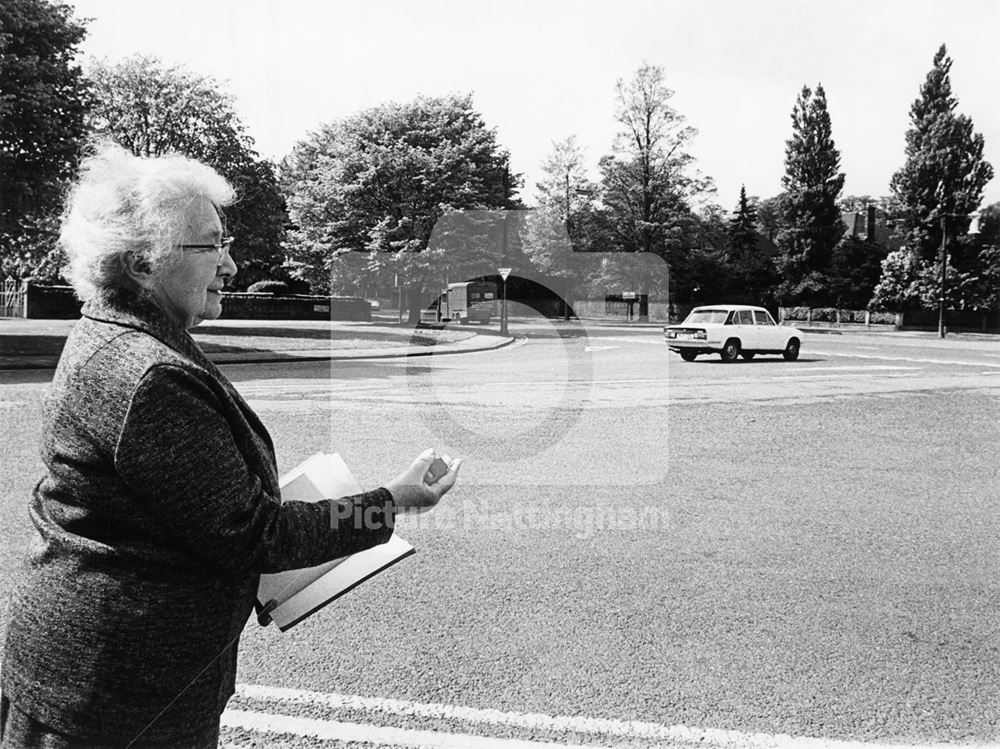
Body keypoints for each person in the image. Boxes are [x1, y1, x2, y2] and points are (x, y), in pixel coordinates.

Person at [0, 142, 461, 748]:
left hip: (105, 673)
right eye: (211, 245)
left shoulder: (119, 337)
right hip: (123, 692)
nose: (231, 265)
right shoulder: (149, 375)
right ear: (141, 261)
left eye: (227, 244)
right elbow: (253, 536)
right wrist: (392, 501)